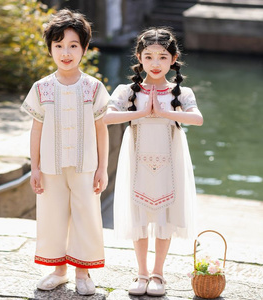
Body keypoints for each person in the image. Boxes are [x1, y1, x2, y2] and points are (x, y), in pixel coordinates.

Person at [103, 27, 203, 296]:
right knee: (139, 215)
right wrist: (141, 112)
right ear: (139, 57)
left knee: (164, 216)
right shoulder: (127, 90)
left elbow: (197, 118)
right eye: (149, 57)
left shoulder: (180, 92)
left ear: (173, 59)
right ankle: (142, 273)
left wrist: (165, 113)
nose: (155, 63)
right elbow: (106, 117)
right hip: (136, 159)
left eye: (162, 57)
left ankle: (158, 274)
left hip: (170, 160)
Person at [20, 8, 109, 295]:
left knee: (85, 215)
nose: (65, 52)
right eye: (58, 46)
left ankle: (83, 274)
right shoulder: (42, 87)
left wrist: (102, 168)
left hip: (85, 165)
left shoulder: (93, 88)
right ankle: (58, 271)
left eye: (73, 45)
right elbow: (36, 129)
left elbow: (101, 129)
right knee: (53, 216)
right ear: (50, 49)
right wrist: (35, 167)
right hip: (51, 167)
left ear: (84, 48)